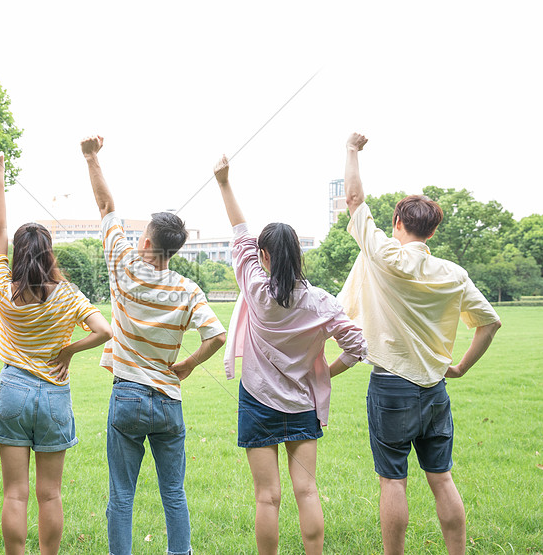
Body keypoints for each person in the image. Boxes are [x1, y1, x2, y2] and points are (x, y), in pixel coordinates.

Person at [339, 133, 501, 555]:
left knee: (393, 480)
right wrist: (461, 367)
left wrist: (352, 150)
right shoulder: (453, 274)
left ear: (397, 224)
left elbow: (354, 201)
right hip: (435, 389)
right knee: (442, 478)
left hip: (391, 385)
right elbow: (490, 323)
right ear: (433, 229)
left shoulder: (383, 257)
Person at [213, 155, 367, 555]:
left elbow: (240, 231)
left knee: (267, 497)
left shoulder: (255, 288)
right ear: (297, 253)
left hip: (258, 402)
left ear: (264, 256)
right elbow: (358, 346)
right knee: (307, 490)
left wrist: (224, 182)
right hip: (301, 403)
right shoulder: (320, 302)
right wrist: (326, 373)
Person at [80, 135, 227, 555]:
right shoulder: (188, 289)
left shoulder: (124, 267)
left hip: (126, 396)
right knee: (174, 495)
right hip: (168, 401)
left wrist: (92, 158)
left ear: (146, 243)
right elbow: (216, 336)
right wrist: (190, 365)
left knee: (121, 497)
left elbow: (106, 207)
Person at [0, 152, 113, 554]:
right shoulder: (68, 296)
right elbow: (105, 330)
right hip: (54, 394)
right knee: (50, 495)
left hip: (14, 392)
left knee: (15, 494)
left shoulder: (3, 289)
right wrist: (71, 349)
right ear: (50, 254)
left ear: (18, 255)